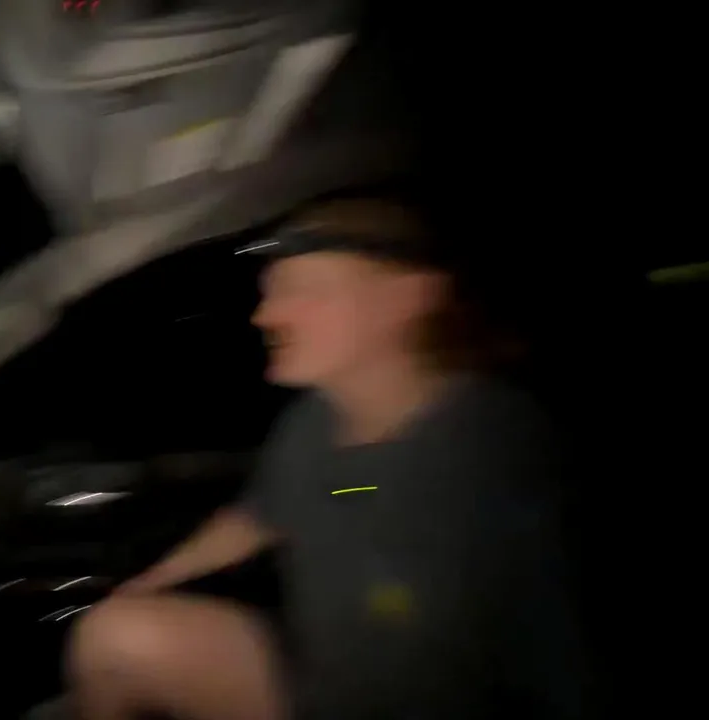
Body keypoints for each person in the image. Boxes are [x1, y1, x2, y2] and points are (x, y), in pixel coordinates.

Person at [64, 189, 584, 720]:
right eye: (270, 292)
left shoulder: (498, 445)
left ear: (407, 297)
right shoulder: (311, 424)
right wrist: (149, 583)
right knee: (116, 632)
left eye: (304, 290)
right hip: (318, 695)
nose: (264, 315)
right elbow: (261, 515)